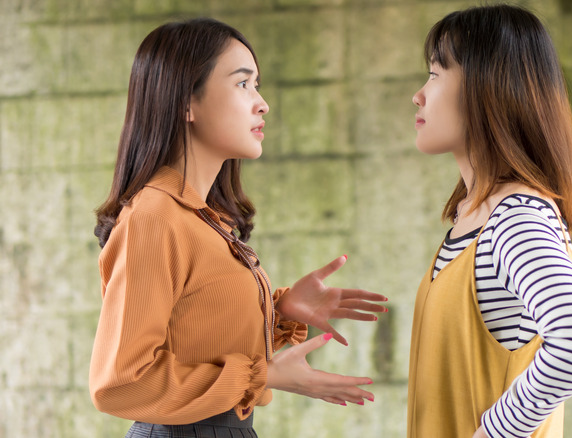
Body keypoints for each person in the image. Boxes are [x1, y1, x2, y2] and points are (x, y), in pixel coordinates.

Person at [89, 18, 388, 437]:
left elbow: (198, 339)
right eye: (242, 84)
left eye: (257, 85)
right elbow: (120, 385)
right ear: (185, 103)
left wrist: (281, 310)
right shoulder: (155, 218)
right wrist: (261, 375)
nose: (262, 103)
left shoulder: (201, 218)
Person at [407, 5, 572, 438]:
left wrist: (496, 431)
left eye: (435, 74)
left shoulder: (515, 217)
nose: (419, 95)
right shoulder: (475, 217)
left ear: (488, 89)